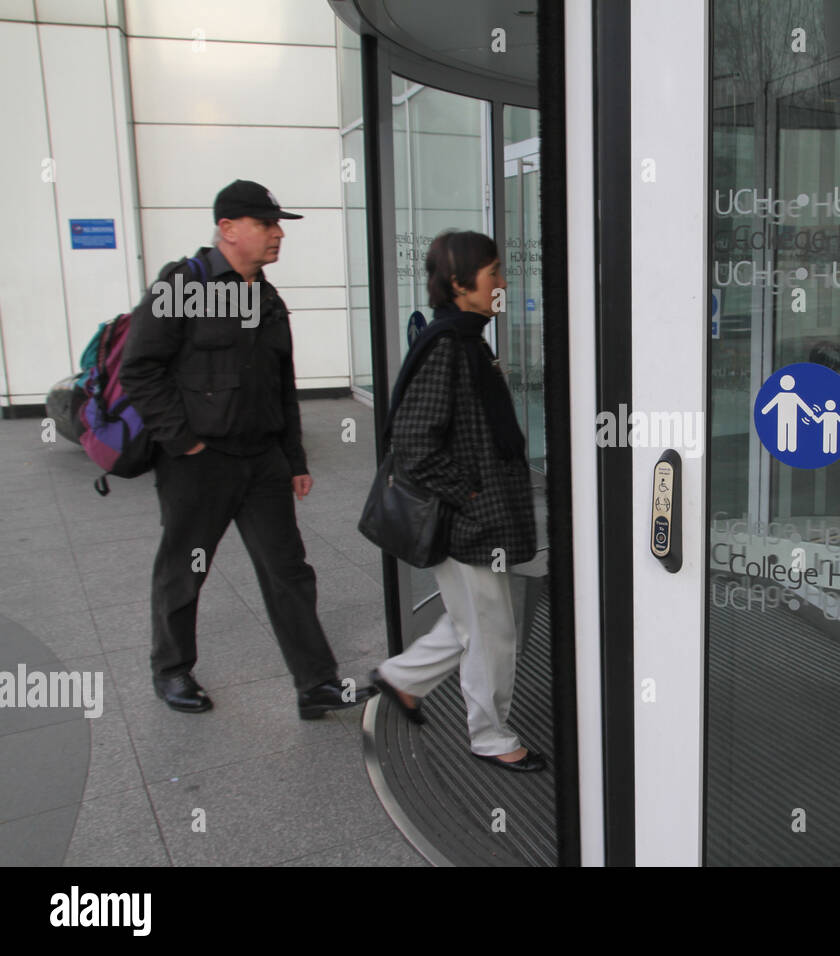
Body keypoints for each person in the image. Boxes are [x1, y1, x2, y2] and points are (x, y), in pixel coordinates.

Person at [119, 179, 376, 719]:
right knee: (184, 568)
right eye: (266, 224)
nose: (277, 234)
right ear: (228, 228)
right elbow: (139, 369)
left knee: (289, 572)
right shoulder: (182, 284)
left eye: (278, 224)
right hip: (198, 463)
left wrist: (294, 459)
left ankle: (316, 684)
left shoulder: (266, 295)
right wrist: (182, 440)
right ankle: (171, 670)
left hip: (262, 462)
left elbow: (281, 383)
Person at [368, 229, 542, 772]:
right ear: (462, 284)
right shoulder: (448, 346)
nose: (503, 282)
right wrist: (470, 494)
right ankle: (489, 735)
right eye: (493, 274)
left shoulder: (466, 337)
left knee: (479, 619)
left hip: (479, 514)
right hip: (466, 520)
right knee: (490, 629)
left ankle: (402, 679)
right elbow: (412, 444)